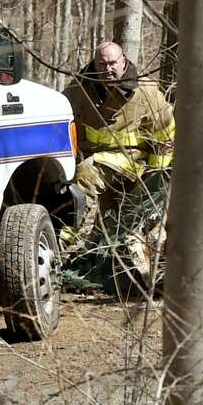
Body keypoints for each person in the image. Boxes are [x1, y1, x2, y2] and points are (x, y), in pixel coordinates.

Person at [62, 42, 175, 293]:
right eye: (102, 64)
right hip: (98, 161)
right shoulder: (79, 89)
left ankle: (56, 244)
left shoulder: (145, 91)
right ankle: (117, 279)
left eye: (113, 63)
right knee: (110, 228)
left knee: (86, 178)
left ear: (123, 61)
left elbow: (165, 132)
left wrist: (155, 179)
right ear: (94, 63)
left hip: (134, 163)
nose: (108, 69)